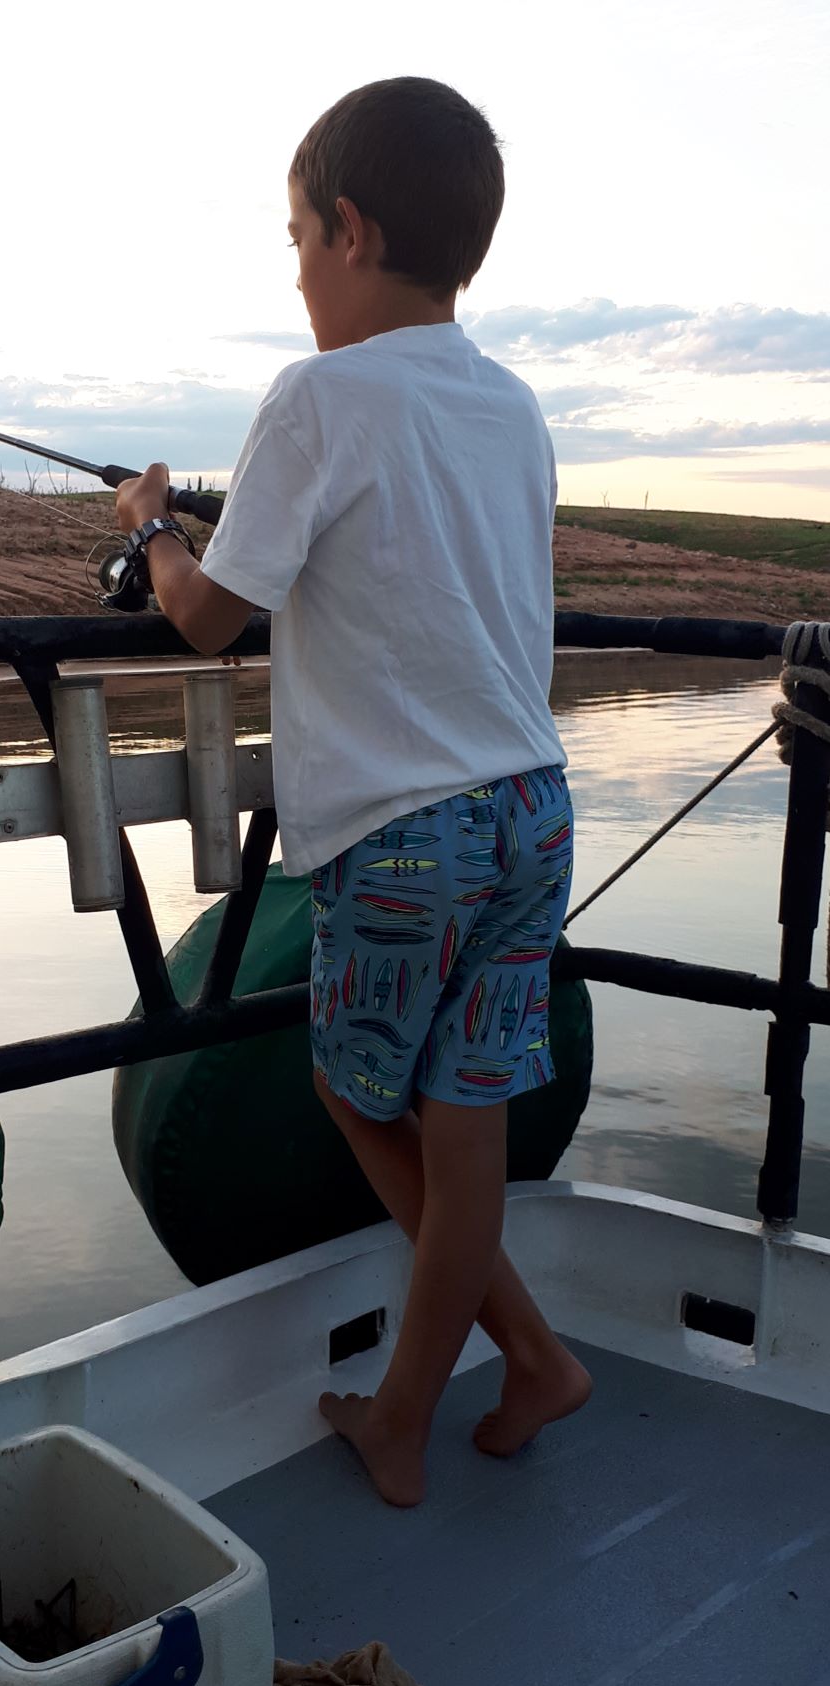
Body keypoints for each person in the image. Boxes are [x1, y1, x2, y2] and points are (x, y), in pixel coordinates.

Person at [115, 75, 591, 1508]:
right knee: (469, 1117)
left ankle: (410, 1410)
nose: (299, 268)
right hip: (532, 804)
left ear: (350, 226)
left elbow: (207, 616)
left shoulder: (315, 396)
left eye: (296, 237)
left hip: (406, 834)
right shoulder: (512, 406)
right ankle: (530, 1360)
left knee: (347, 1081)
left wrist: (149, 534)